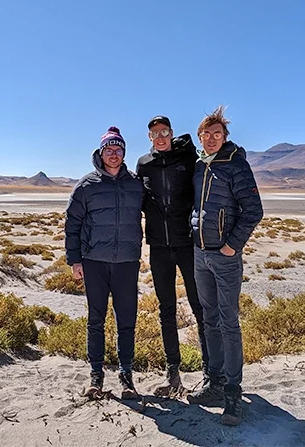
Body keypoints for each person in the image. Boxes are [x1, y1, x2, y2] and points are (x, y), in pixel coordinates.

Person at [186, 106, 263, 426]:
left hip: (225, 256)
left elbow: (253, 210)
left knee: (229, 322)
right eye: (206, 134)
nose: (211, 139)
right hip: (200, 254)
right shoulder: (199, 167)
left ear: (225, 137)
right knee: (209, 319)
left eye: (217, 134)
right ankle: (214, 383)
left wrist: (232, 245)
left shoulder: (236, 165)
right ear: (200, 137)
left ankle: (233, 393)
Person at [65, 126, 144, 400]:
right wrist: (74, 259)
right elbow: (72, 223)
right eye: (109, 149)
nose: (113, 154)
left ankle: (126, 376)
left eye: (118, 149)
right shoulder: (86, 186)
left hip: (127, 262)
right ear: (101, 152)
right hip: (94, 262)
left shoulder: (135, 184)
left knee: (127, 320)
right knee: (95, 320)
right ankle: (96, 375)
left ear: (124, 153)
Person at [136, 116, 209, 396]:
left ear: (171, 133)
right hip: (158, 247)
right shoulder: (144, 164)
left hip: (187, 244)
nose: (160, 137)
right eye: (154, 133)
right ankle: (173, 374)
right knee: (166, 309)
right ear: (150, 137)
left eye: (164, 132)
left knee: (199, 306)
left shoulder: (187, 159)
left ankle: (209, 372)